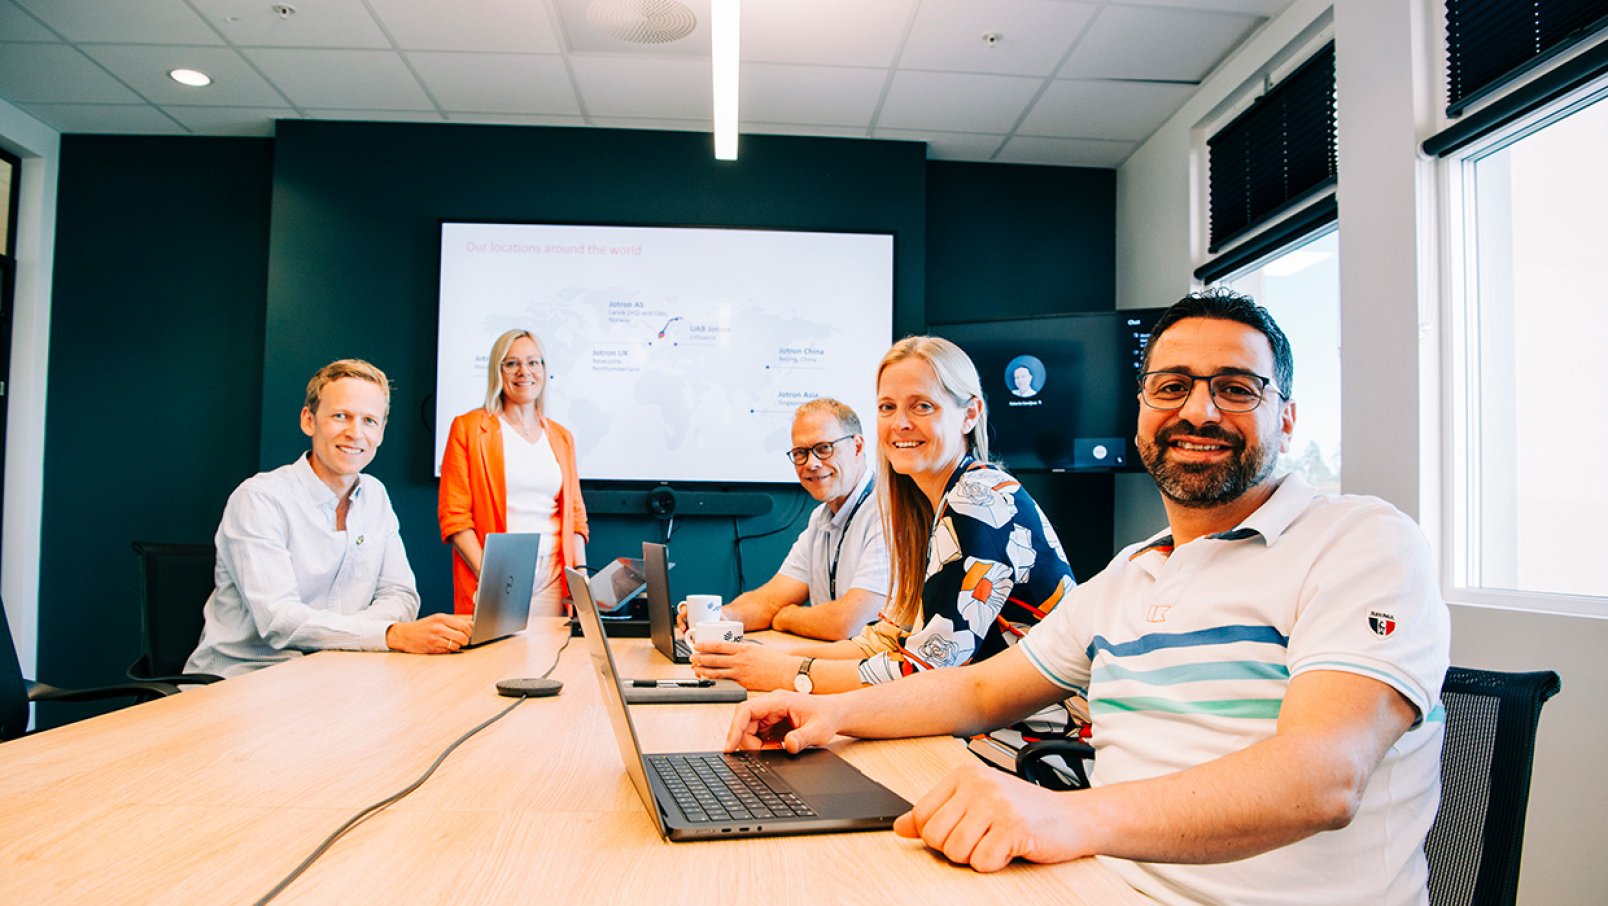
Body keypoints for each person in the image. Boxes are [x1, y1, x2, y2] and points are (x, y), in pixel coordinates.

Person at [725, 290, 1450, 906]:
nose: (1198, 411)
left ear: (1287, 417)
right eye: (1171, 387)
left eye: (1236, 388)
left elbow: (1321, 779)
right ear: (1141, 412)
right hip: (1095, 886)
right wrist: (825, 711)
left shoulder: (1362, 541)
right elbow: (978, 691)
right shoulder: (1135, 572)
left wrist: (1067, 818)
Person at [693, 337, 1075, 695]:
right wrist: (770, 659)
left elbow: (922, 674)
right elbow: (884, 640)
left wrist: (787, 673)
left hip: (1026, 736)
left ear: (969, 414)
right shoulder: (926, 505)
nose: (900, 423)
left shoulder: (979, 500)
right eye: (887, 407)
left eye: (922, 406)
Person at [186, 359, 474, 678]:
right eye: (341, 416)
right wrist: (388, 635)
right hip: (242, 681)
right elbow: (279, 621)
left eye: (369, 421)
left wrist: (358, 637)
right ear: (309, 421)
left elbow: (401, 595)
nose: (355, 433)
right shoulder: (260, 498)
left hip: (335, 675)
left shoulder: (375, 496)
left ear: (380, 433)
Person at [677, 398, 888, 641]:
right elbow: (769, 602)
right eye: (800, 453)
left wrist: (787, 617)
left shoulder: (887, 513)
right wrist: (716, 619)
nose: (812, 463)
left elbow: (848, 623)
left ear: (858, 447)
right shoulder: (820, 519)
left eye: (824, 448)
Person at [439, 329, 588, 622]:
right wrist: (492, 578)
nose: (525, 372)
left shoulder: (561, 436)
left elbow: (575, 514)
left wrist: (581, 578)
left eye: (534, 362)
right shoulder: (468, 429)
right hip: (497, 571)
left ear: (544, 370)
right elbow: (455, 518)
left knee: (548, 661)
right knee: (498, 664)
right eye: (512, 364)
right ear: (498, 371)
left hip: (553, 572)